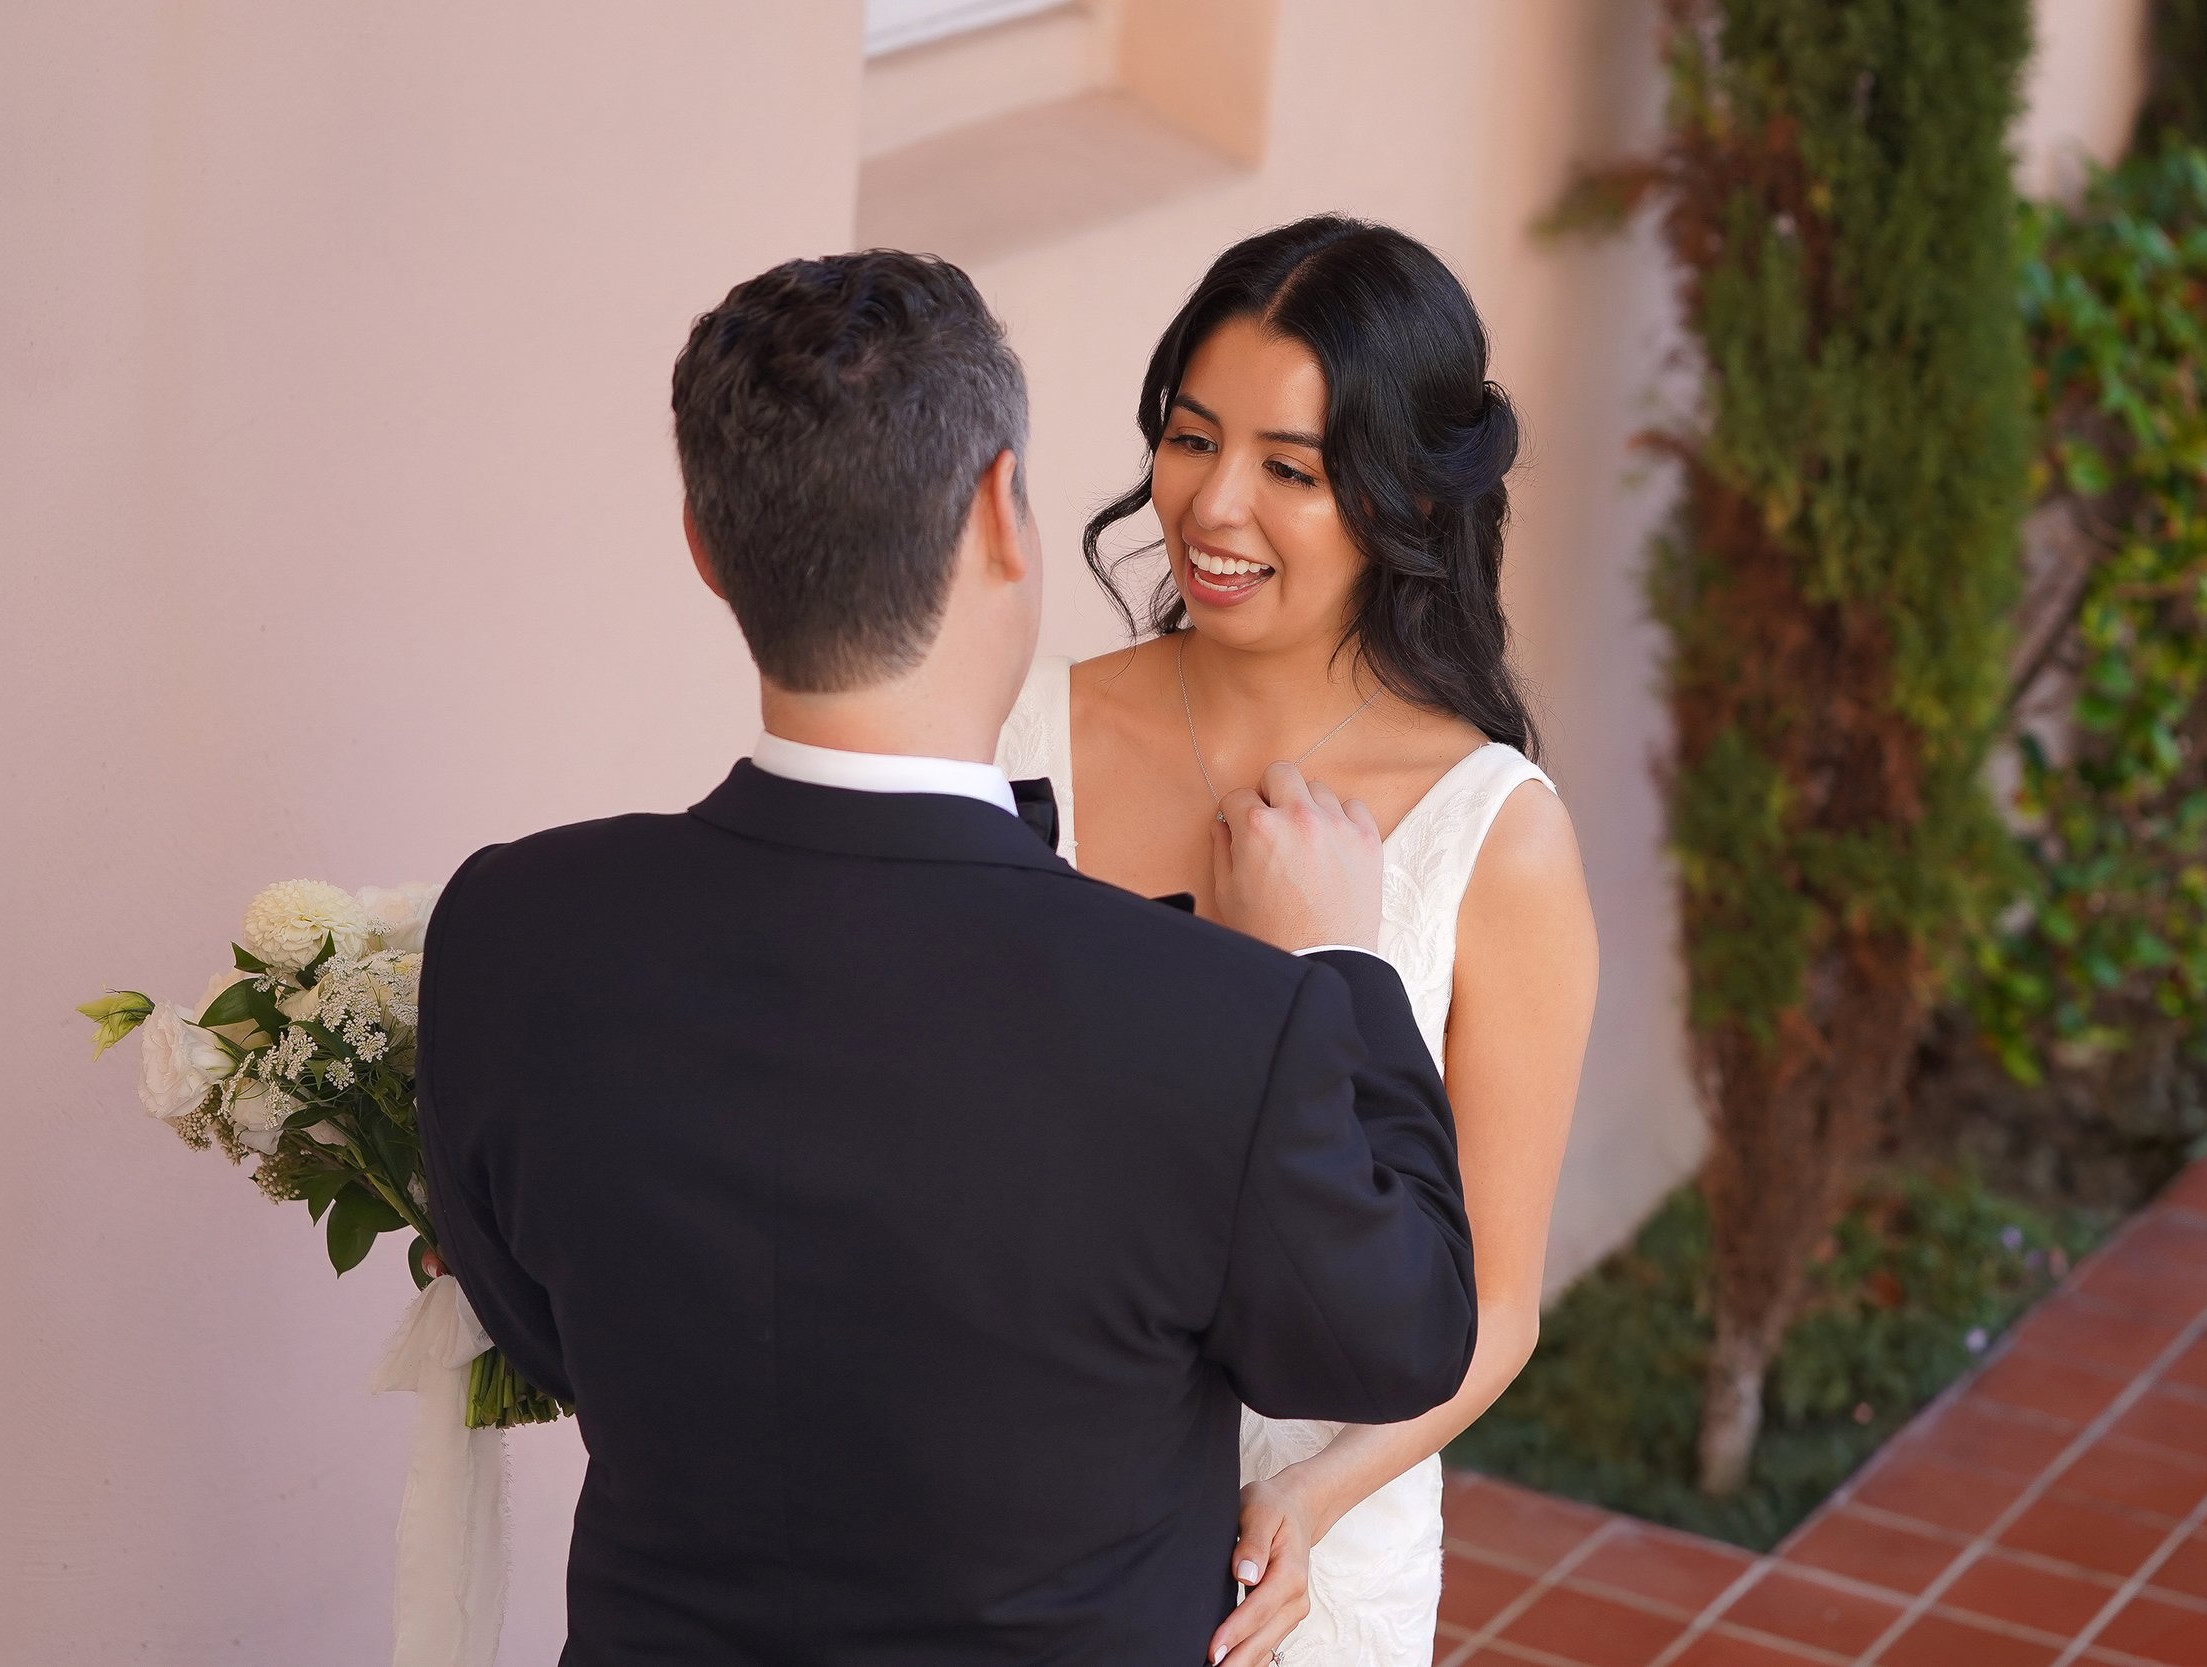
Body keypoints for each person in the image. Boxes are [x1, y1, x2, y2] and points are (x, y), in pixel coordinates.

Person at [415, 249, 1481, 1666]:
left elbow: (546, 1328)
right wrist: (1347, 972)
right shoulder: (1229, 1022)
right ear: (1001, 513)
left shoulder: (507, 929)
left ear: (704, 542)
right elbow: (1399, 1337)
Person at [999, 216, 1599, 1667]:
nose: (1213, 507)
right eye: (1193, 439)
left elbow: (1496, 1304)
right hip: (1022, 1503)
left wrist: (1308, 1498)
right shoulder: (1025, 734)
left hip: (1302, 1565)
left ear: (1400, 498)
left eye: (1291, 470)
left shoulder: (1492, 836)